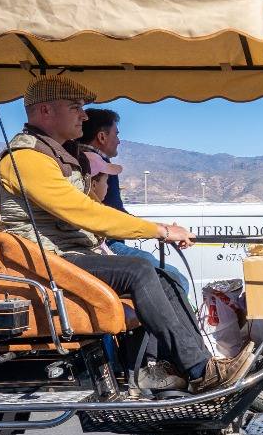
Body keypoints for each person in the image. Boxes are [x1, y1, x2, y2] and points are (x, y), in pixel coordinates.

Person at [0, 77, 228, 393]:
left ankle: (192, 367)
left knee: (164, 277)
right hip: (45, 262)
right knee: (139, 270)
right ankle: (198, 369)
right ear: (45, 111)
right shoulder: (25, 159)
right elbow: (84, 213)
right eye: (76, 107)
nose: (84, 116)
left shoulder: (54, 154)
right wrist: (160, 231)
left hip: (64, 258)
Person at [78, 108, 192, 295]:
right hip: (107, 242)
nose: (119, 140)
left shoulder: (78, 159)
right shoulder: (98, 165)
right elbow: (113, 214)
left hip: (103, 241)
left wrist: (164, 229)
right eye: (116, 134)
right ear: (102, 137)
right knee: (175, 279)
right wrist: (164, 231)